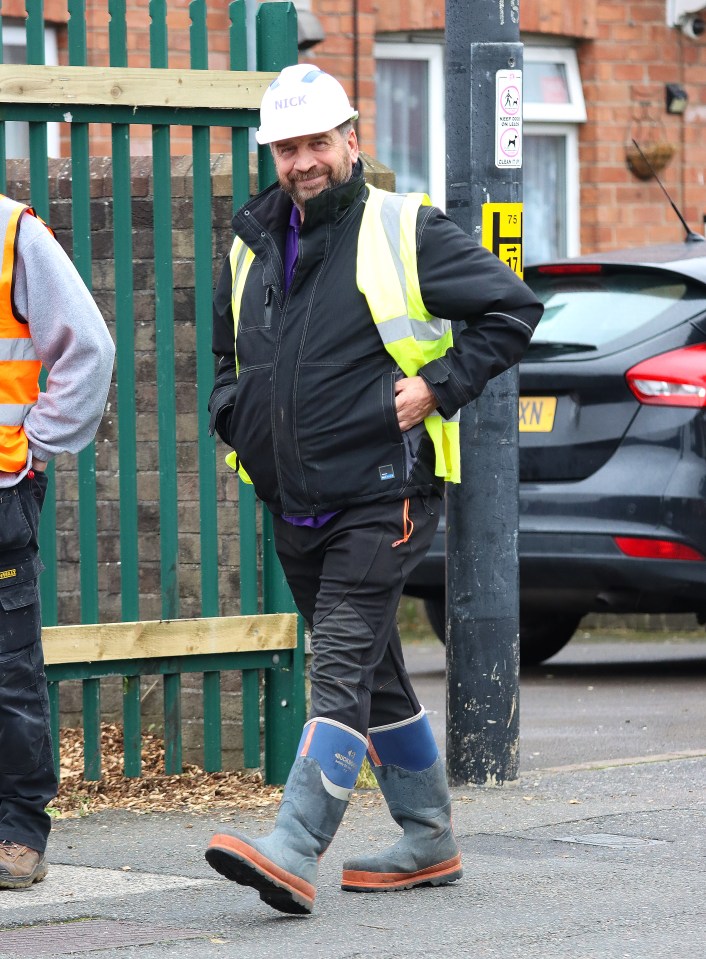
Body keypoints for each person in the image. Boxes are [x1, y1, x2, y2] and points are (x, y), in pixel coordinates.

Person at [205, 63, 543, 915]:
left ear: (351, 141)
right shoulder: (248, 240)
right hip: (296, 501)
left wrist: (439, 385)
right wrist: (231, 416)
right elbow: (225, 357)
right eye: (287, 147)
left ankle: (293, 842)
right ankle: (427, 836)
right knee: (379, 676)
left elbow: (512, 309)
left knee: (341, 662)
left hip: (385, 493)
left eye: (318, 142)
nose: (303, 161)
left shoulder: (403, 228)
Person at [0, 194, 115, 889]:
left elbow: (89, 346)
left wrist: (31, 446)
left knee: (8, 667)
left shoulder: (12, 233)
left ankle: (18, 828)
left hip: (0, 484)